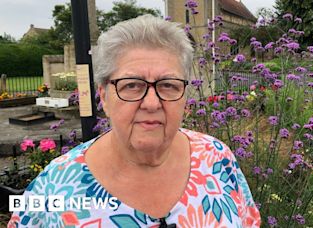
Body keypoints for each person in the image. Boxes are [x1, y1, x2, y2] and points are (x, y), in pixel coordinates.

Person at [9, 15, 260, 227]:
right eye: (131, 85)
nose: (151, 103)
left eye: (168, 85)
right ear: (103, 96)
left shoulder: (218, 159)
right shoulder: (53, 188)